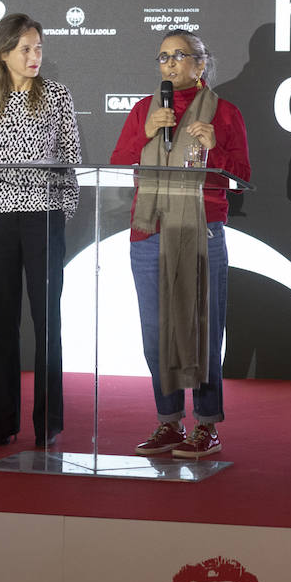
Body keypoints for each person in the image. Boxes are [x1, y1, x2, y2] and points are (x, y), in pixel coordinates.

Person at [109, 30, 250, 459]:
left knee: (202, 333)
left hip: (201, 230)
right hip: (149, 232)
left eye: (179, 55)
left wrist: (215, 149)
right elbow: (119, 163)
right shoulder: (145, 110)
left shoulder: (225, 113)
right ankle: (168, 422)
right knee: (156, 336)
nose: (169, 64)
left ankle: (206, 425)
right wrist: (146, 132)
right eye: (163, 57)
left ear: (200, 63)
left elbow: (241, 177)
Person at [0, 13, 82, 448]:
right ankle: (2, 422)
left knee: (47, 322)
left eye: (38, 48)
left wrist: (62, 210)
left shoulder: (57, 96)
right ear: (3, 53)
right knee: (3, 324)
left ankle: (48, 423)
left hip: (42, 218)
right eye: (25, 49)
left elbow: (71, 158)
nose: (35, 56)